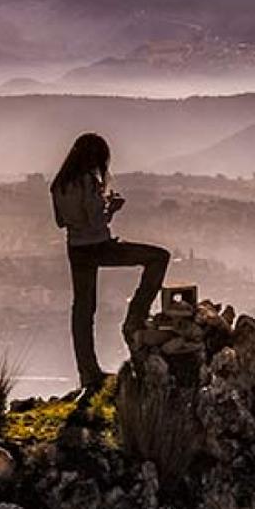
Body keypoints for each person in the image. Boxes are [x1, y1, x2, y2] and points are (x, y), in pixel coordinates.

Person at [50, 132, 170, 389]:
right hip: (98, 246)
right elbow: (96, 220)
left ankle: (88, 372)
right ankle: (136, 315)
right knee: (159, 257)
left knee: (83, 309)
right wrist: (111, 207)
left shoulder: (59, 183)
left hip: (75, 248)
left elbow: (61, 222)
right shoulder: (88, 181)